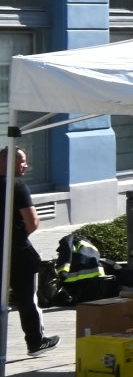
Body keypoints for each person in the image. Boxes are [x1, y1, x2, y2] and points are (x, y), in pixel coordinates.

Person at [6, 148, 56, 355]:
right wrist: (16, 239)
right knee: (26, 298)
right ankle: (35, 342)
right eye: (22, 161)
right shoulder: (17, 186)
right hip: (19, 253)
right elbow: (33, 221)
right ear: (8, 162)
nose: (26, 165)